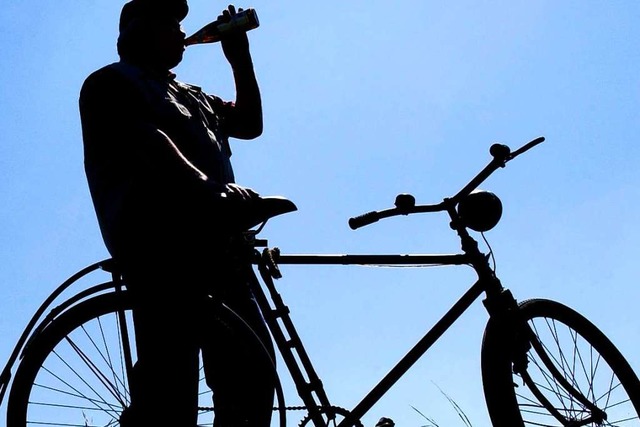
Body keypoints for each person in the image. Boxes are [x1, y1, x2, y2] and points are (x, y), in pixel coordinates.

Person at [79, 0, 275, 426]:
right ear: (137, 31)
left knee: (251, 372)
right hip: (161, 246)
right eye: (168, 24)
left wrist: (240, 59)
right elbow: (146, 140)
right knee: (171, 387)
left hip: (219, 243)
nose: (180, 33)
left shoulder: (191, 94)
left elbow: (249, 124)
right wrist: (209, 188)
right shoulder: (110, 83)